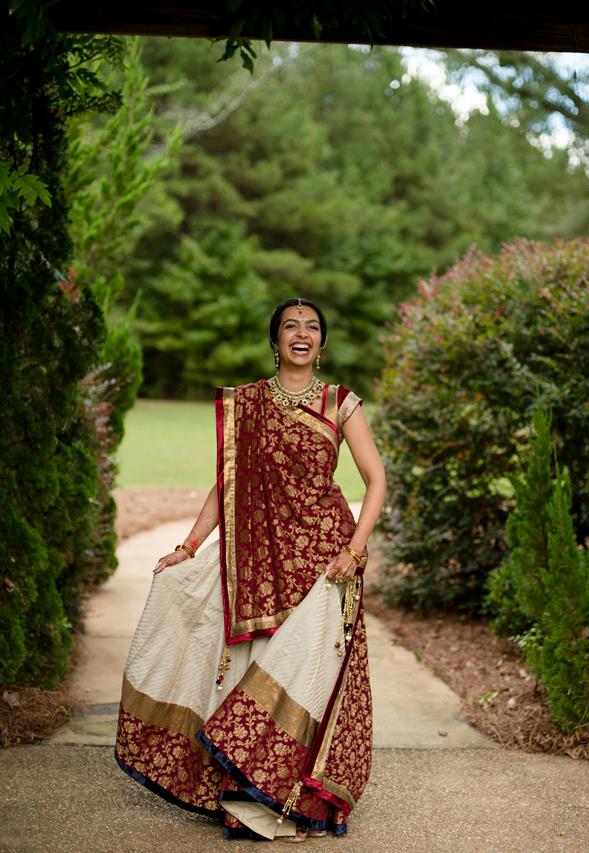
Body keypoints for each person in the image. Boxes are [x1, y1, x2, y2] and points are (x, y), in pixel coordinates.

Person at [115, 297, 387, 841]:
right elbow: (228, 486)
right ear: (276, 340)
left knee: (305, 676)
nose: (302, 333)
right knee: (254, 667)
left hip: (322, 562)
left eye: (312, 327)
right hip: (259, 560)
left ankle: (295, 800)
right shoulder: (250, 404)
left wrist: (354, 551)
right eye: (291, 326)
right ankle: (245, 795)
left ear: (322, 343)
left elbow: (376, 481)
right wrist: (189, 546)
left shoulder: (340, 404)